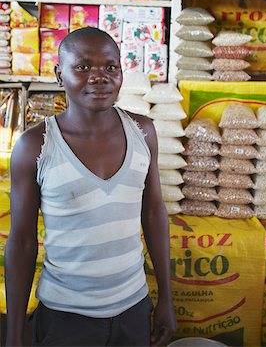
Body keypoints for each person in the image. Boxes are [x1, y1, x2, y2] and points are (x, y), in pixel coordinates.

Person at [5, 27, 178, 347]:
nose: (99, 77)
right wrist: (13, 335)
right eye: (83, 67)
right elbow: (22, 241)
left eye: (110, 67)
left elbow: (153, 213)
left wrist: (166, 298)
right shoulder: (35, 145)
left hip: (133, 310)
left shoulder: (144, 132)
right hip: (65, 319)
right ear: (59, 76)